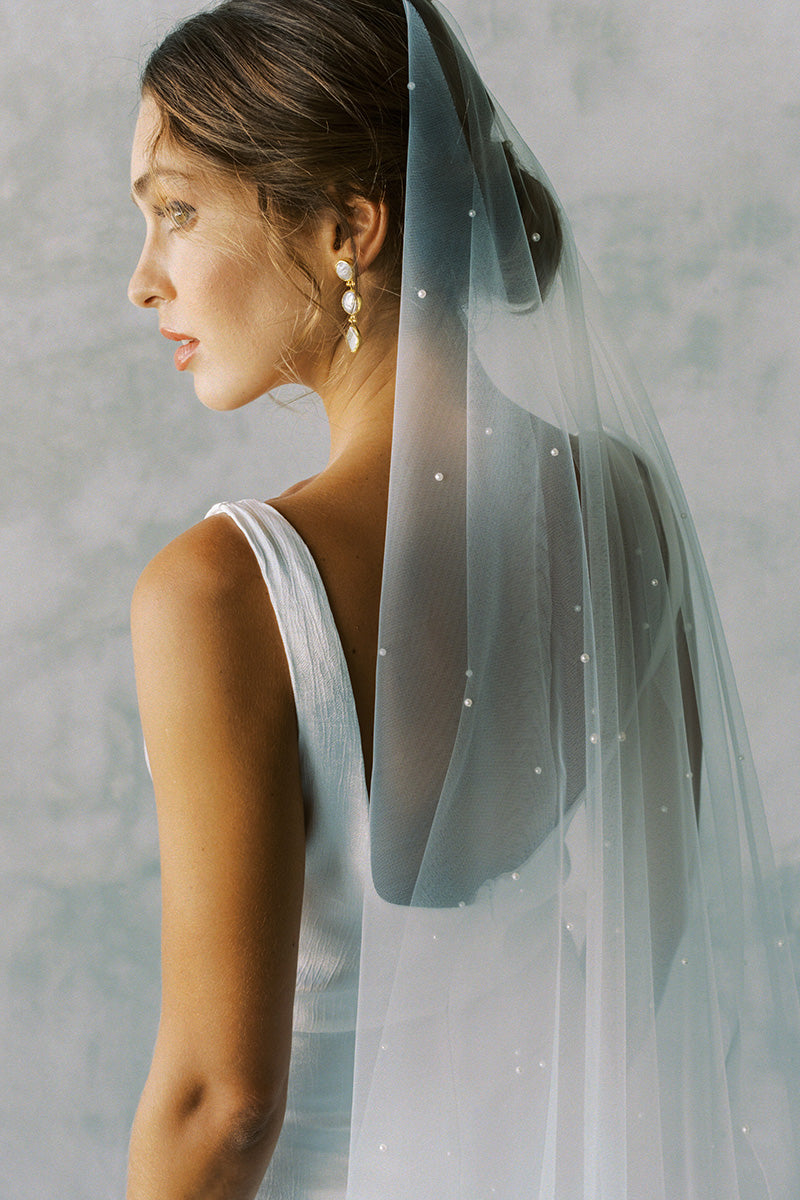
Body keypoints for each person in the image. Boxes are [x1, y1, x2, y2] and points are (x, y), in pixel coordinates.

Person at [126, 1, 800, 1197]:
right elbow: (645, 939)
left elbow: (222, 1104)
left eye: (175, 211)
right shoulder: (616, 503)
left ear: (349, 225)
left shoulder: (222, 592)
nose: (143, 281)